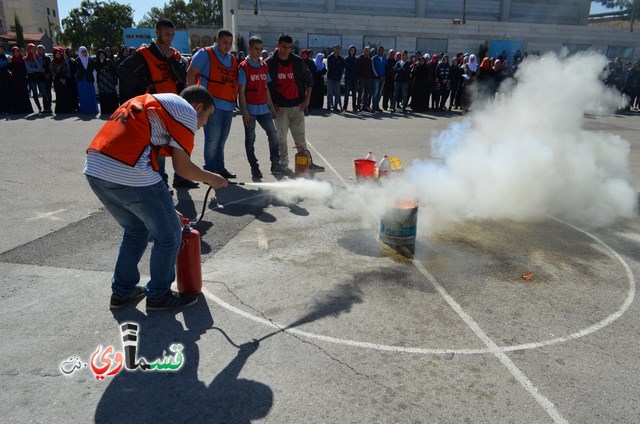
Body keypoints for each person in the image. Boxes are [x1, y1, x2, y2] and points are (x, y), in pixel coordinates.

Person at [84, 85, 228, 311]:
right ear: (198, 106)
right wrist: (212, 178)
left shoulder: (157, 103)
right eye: (207, 116)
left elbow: (152, 168)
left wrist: (167, 208)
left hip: (95, 169)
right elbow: (182, 168)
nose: (204, 124)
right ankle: (159, 296)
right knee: (170, 236)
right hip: (128, 170)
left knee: (136, 229)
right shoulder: (186, 111)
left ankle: (123, 293)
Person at [118, 19, 195, 189]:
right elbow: (123, 70)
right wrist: (144, 83)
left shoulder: (174, 55)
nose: (170, 38)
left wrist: (171, 61)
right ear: (157, 32)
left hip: (174, 109)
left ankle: (181, 177)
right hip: (154, 111)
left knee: (177, 144)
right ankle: (161, 185)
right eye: (167, 34)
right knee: (157, 150)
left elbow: (183, 78)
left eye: (172, 35)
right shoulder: (144, 54)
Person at [266, 33, 324, 173]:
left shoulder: (297, 62)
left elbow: (309, 80)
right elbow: (265, 87)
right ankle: (283, 165)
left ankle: (305, 165)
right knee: (281, 139)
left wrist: (307, 99)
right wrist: (271, 105)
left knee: (300, 138)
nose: (286, 50)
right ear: (277, 45)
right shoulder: (270, 63)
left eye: (289, 47)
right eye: (284, 47)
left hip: (297, 106)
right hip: (280, 108)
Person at [187, 28, 238, 180]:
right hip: (211, 107)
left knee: (221, 140)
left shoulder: (232, 59)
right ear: (217, 39)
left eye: (230, 43)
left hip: (228, 107)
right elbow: (190, 73)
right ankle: (209, 171)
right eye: (224, 42)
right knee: (212, 140)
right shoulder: (205, 54)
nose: (227, 46)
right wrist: (193, 98)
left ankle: (220, 168)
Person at [238, 35, 289, 180]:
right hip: (250, 111)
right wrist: (245, 113)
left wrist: (271, 108)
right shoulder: (243, 67)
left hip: (264, 110)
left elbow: (265, 88)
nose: (258, 52)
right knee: (250, 140)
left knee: (273, 136)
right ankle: (254, 167)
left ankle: (275, 164)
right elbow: (241, 93)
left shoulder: (264, 66)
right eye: (256, 49)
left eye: (261, 49)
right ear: (249, 48)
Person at [24, 43, 51, 113]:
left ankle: (46, 108)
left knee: (44, 93)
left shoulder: (39, 57)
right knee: (35, 93)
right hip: (32, 77)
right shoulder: (26, 59)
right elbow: (29, 69)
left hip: (40, 77)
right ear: (28, 49)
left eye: (34, 48)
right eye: (31, 48)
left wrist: (35, 58)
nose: (33, 50)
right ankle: (39, 108)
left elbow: (40, 66)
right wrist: (38, 70)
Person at [50, 46, 76, 114]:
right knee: (59, 95)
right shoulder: (52, 62)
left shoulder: (64, 61)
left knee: (66, 94)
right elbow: (52, 72)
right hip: (57, 80)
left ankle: (67, 109)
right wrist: (59, 79)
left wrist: (65, 79)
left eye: (59, 53)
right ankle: (59, 110)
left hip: (65, 79)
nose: (58, 55)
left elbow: (67, 70)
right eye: (56, 53)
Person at [8, 47, 33, 114]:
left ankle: (25, 109)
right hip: (15, 79)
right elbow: (10, 69)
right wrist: (10, 63)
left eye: (17, 52)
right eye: (14, 52)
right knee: (15, 93)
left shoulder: (22, 59)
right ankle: (16, 109)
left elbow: (25, 69)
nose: (16, 53)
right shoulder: (11, 60)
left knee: (24, 93)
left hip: (22, 78)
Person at [76, 46, 100, 114]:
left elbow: (92, 68)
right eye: (82, 52)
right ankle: (84, 110)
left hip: (89, 79)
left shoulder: (90, 59)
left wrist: (86, 71)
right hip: (81, 80)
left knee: (91, 94)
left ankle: (93, 109)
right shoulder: (77, 59)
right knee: (83, 95)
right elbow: (76, 68)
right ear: (80, 52)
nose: (84, 53)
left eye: (85, 51)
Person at [96, 49, 119, 115]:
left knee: (111, 94)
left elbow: (113, 70)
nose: (102, 56)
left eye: (103, 55)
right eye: (100, 55)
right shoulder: (96, 62)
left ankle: (113, 109)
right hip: (101, 81)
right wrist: (101, 62)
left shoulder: (109, 61)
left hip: (109, 80)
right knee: (103, 95)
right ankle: (105, 110)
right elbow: (97, 69)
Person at [326, 44, 345, 112]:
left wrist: (338, 69)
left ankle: (335, 106)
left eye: (339, 49)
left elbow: (342, 68)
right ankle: (329, 105)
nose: (337, 50)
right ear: (333, 49)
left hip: (337, 78)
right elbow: (330, 67)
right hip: (330, 77)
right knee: (330, 92)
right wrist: (337, 68)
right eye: (336, 48)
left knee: (337, 93)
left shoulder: (341, 59)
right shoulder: (330, 57)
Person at [343, 45, 359, 112]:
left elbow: (357, 69)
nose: (352, 51)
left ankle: (354, 107)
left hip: (355, 79)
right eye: (351, 50)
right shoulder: (346, 58)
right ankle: (345, 107)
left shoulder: (356, 59)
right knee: (346, 93)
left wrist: (352, 68)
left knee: (354, 94)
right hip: (348, 78)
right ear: (349, 51)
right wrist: (351, 68)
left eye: (353, 50)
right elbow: (346, 68)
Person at [371, 46, 386, 112]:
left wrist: (384, 75)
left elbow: (386, 67)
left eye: (381, 50)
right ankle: (374, 107)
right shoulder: (374, 58)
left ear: (383, 51)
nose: (380, 52)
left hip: (383, 78)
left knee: (380, 93)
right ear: (377, 51)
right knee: (375, 93)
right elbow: (373, 68)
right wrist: (378, 76)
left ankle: (377, 106)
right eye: (379, 50)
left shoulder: (384, 58)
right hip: (376, 78)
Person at [357, 46, 373, 112]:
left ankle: (364, 106)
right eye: (366, 51)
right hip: (361, 78)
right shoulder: (360, 58)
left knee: (366, 93)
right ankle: (358, 106)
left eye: (369, 51)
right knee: (360, 93)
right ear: (364, 51)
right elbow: (358, 68)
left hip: (368, 78)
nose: (367, 52)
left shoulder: (370, 59)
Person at [0, 45, 11, 114]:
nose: (0, 50)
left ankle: (8, 108)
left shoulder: (7, 57)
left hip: (6, 77)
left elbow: (9, 67)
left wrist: (10, 63)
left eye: (1, 49)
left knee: (7, 92)